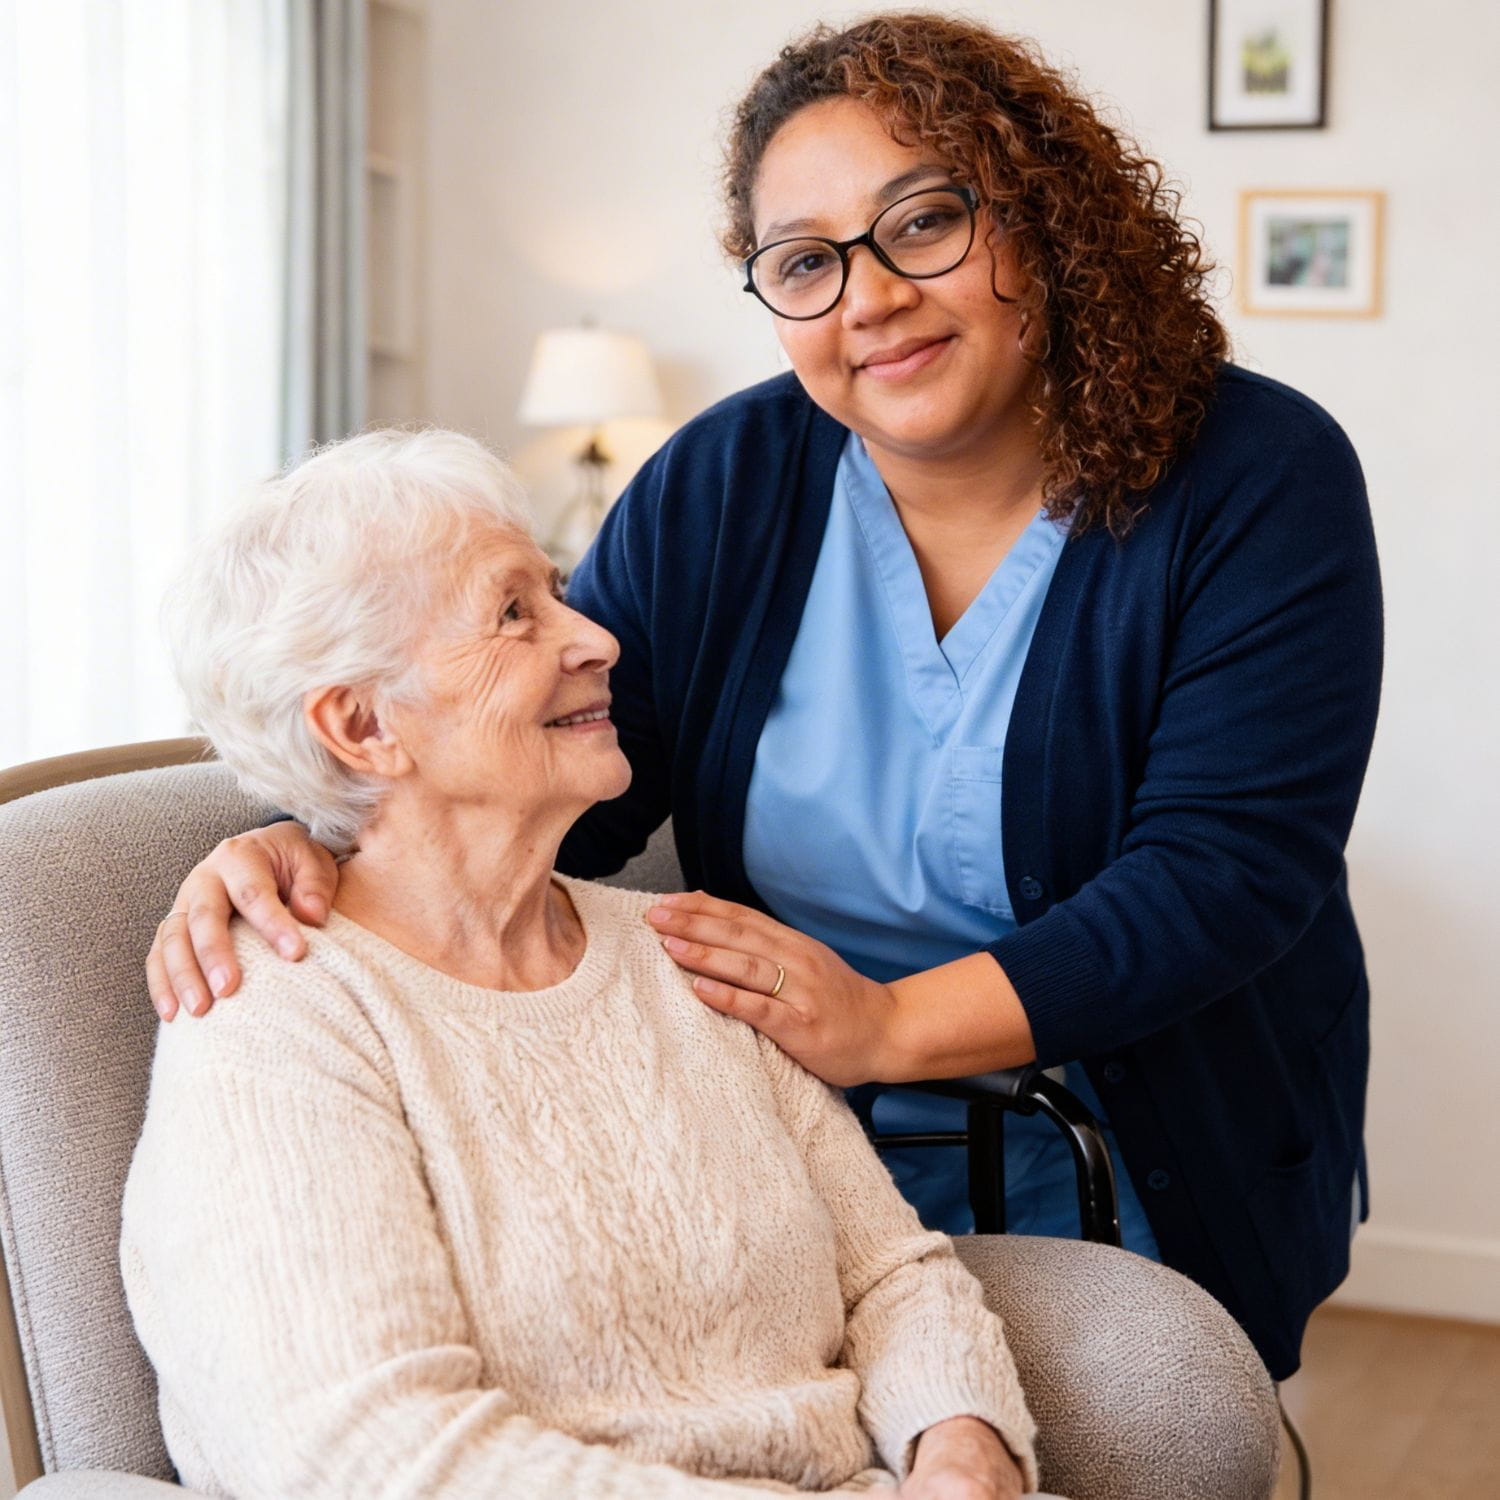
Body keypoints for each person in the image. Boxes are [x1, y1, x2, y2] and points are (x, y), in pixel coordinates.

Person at [145, 13, 1382, 1381]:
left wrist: (892, 1025)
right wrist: (313, 841)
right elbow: (554, 762)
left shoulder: (1258, 477)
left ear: (1043, 220)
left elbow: (1225, 877)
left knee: (1156, 1413)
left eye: (923, 223)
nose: (870, 298)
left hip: (1139, 1134)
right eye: (804, 263)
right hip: (787, 1139)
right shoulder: (723, 484)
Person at [123, 428, 1051, 1500]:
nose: (598, 637)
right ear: (366, 724)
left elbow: (893, 1278)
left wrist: (964, 1450)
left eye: (559, 594)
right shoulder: (276, 1019)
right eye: (515, 612)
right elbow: (368, 1456)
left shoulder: (682, 953)